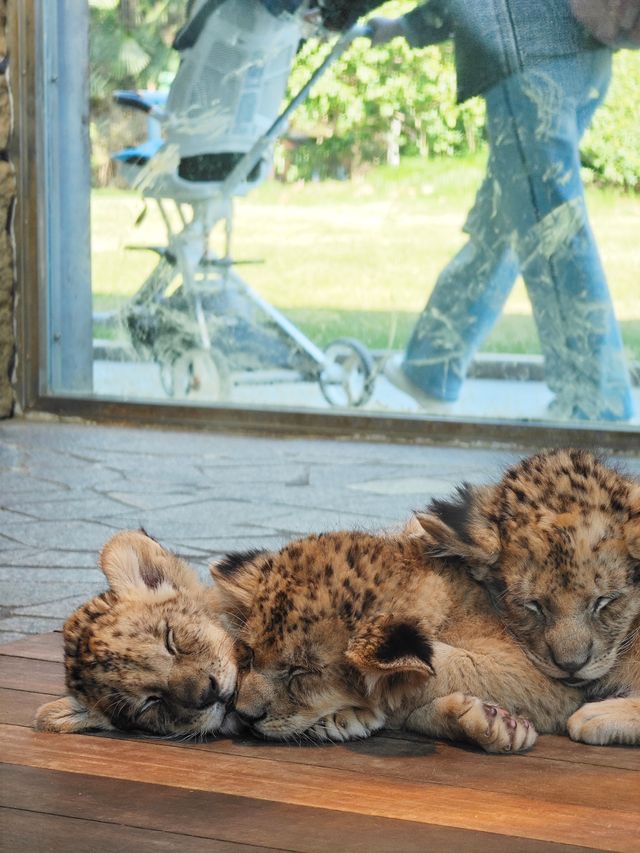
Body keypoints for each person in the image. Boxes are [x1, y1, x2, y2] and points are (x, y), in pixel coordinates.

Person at [365, 1, 635, 421]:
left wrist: (406, 26)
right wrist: (409, 27)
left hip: (530, 59)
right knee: (506, 223)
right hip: (583, 58)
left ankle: (595, 404)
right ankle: (432, 366)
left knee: (552, 234)